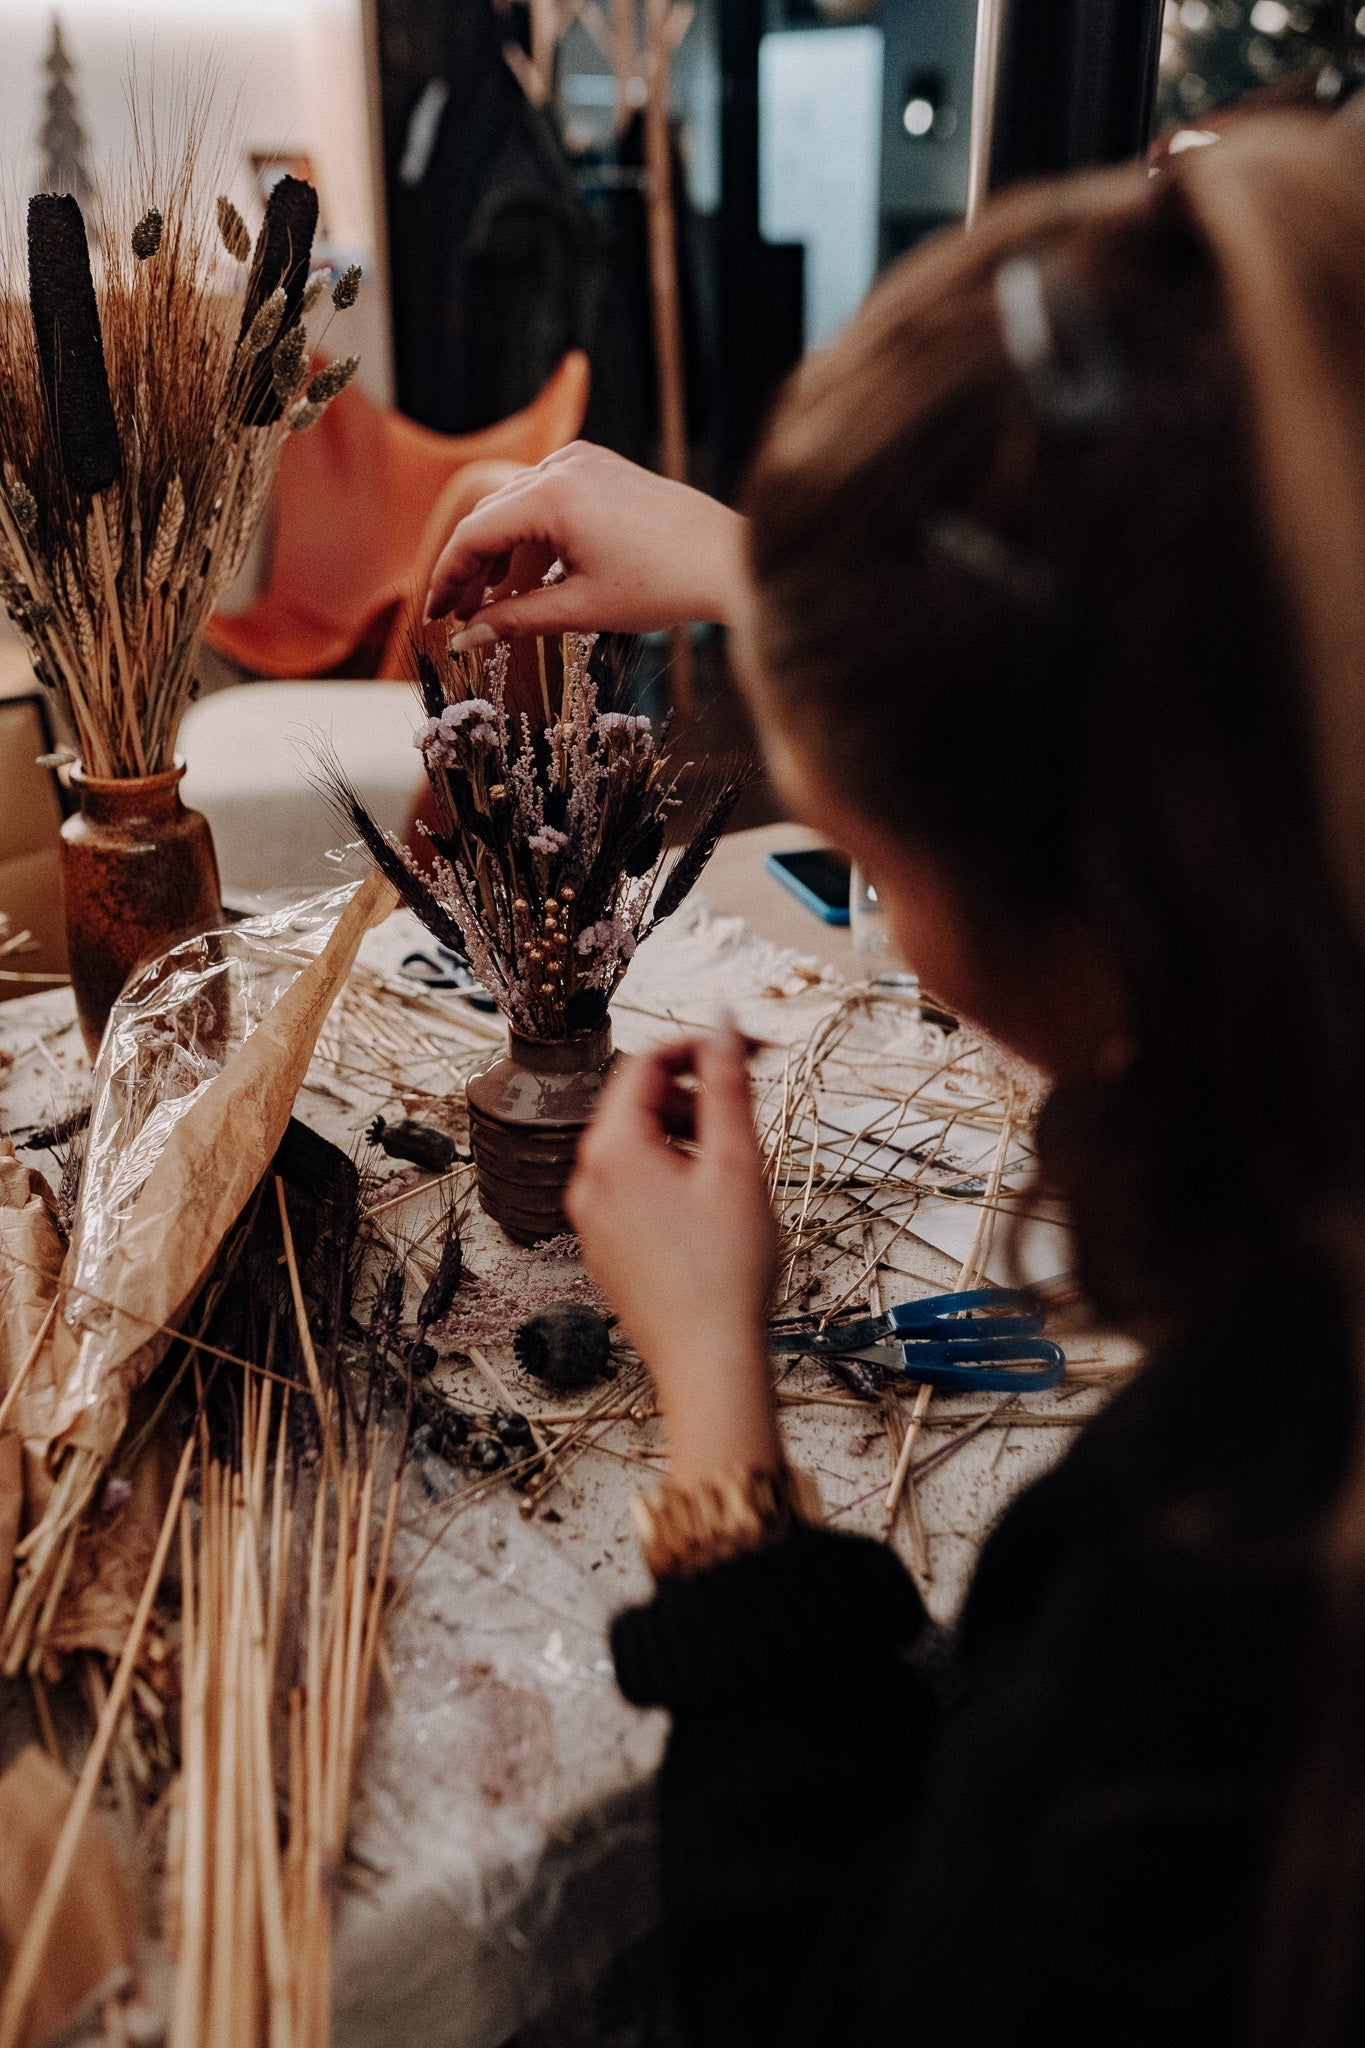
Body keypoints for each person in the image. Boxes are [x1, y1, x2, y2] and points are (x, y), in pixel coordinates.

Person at [427, 110, 1365, 2047]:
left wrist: (711, 1413)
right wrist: (754, 569)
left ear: (1079, 922)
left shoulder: (1215, 1569)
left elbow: (824, 1996)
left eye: (861, 846)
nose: (848, 878)